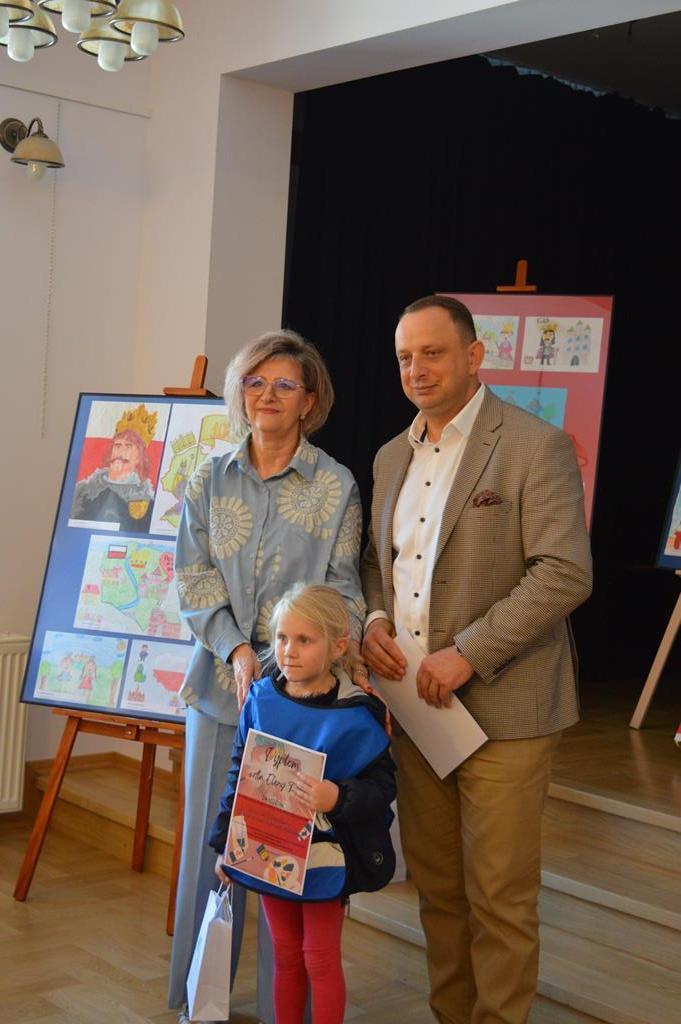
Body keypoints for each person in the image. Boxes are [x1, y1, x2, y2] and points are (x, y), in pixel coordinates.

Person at [361, 295, 592, 1024]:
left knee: (499, 895)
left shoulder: (533, 445)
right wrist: (372, 619)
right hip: (417, 711)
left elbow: (564, 573)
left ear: (473, 355)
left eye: (432, 353)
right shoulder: (389, 456)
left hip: (506, 708)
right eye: (404, 357)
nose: (417, 369)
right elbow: (378, 565)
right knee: (438, 890)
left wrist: (467, 653)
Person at [169, 330, 367, 1022]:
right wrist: (234, 650)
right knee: (211, 850)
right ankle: (199, 1002)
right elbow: (192, 578)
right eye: (255, 382)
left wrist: (302, 660)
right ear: (239, 392)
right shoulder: (207, 476)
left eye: (285, 385)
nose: (267, 396)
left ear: (310, 400)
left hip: (301, 700)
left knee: (286, 861)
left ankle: (283, 1009)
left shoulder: (336, 484)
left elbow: (344, 588)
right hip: (220, 688)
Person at [209, 584, 396, 1024]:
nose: (288, 651)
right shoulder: (261, 699)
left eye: (304, 640)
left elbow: (383, 786)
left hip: (325, 857)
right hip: (267, 850)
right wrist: (225, 842)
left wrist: (338, 796)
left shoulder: (357, 714)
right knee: (286, 954)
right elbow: (239, 773)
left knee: (320, 957)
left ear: (338, 646)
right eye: (281, 638)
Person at [71, 404, 158, 532]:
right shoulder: (81, 491)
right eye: (117, 445)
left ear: (139, 458)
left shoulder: (146, 501)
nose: (120, 452)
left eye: (128, 446)